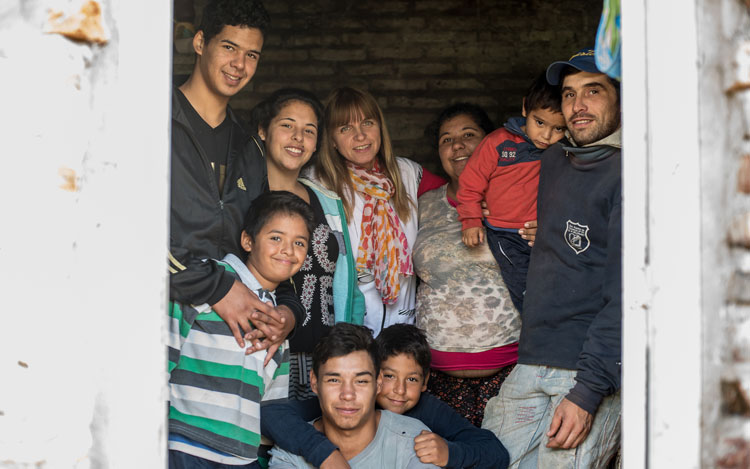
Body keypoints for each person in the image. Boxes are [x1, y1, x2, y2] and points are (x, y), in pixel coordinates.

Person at [482, 48, 623, 468]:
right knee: (486, 460)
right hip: (532, 358)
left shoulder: (633, 174)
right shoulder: (550, 161)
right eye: (568, 94)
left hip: (585, 372)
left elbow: (628, 295)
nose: (577, 106)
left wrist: (587, 392)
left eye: (593, 91)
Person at [169, 0, 304, 364]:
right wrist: (217, 287)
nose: (239, 65)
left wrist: (287, 314)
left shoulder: (249, 146)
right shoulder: (155, 120)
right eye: (229, 47)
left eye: (252, 55)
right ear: (200, 43)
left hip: (225, 344)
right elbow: (124, 227)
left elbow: (266, 239)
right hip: (154, 322)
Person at [168, 191, 315, 467]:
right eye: (276, 238)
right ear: (248, 240)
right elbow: (160, 355)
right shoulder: (210, 283)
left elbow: (272, 406)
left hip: (241, 458)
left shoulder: (279, 324)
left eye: (299, 242)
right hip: (187, 447)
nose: (288, 250)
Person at [413, 103, 528, 427]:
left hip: (510, 374)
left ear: (491, 142)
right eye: (446, 139)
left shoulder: (518, 199)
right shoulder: (423, 205)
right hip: (433, 382)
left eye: (468, 135)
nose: (457, 145)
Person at [262, 323, 509, 469]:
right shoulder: (331, 406)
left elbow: (494, 452)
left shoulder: (421, 420)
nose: (399, 391)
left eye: (411, 379)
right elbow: (270, 413)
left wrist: (450, 453)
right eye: (390, 376)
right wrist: (325, 454)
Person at [250, 88, 365, 400]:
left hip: (326, 361)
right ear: (263, 130)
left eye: (309, 130)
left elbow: (348, 284)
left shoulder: (327, 201)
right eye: (287, 125)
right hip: (263, 355)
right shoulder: (245, 199)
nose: (297, 138)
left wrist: (349, 350)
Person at [311, 87, 443, 336]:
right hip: (346, 331)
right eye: (345, 128)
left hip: (404, 331)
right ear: (331, 140)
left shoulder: (409, 174)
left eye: (367, 123)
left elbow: (458, 194)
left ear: (380, 127)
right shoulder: (319, 184)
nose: (360, 136)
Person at [457, 72, 567, 312]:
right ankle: (535, 324)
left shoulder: (562, 151)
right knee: (524, 286)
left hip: (543, 233)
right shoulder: (499, 143)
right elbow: (470, 183)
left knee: (553, 284)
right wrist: (471, 220)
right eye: (540, 122)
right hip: (505, 234)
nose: (547, 136)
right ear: (525, 108)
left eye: (558, 128)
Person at [267, 323, 439, 469]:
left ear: (378, 382)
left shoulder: (414, 440)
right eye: (334, 380)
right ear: (314, 382)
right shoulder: (290, 454)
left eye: (361, 381)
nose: (348, 395)